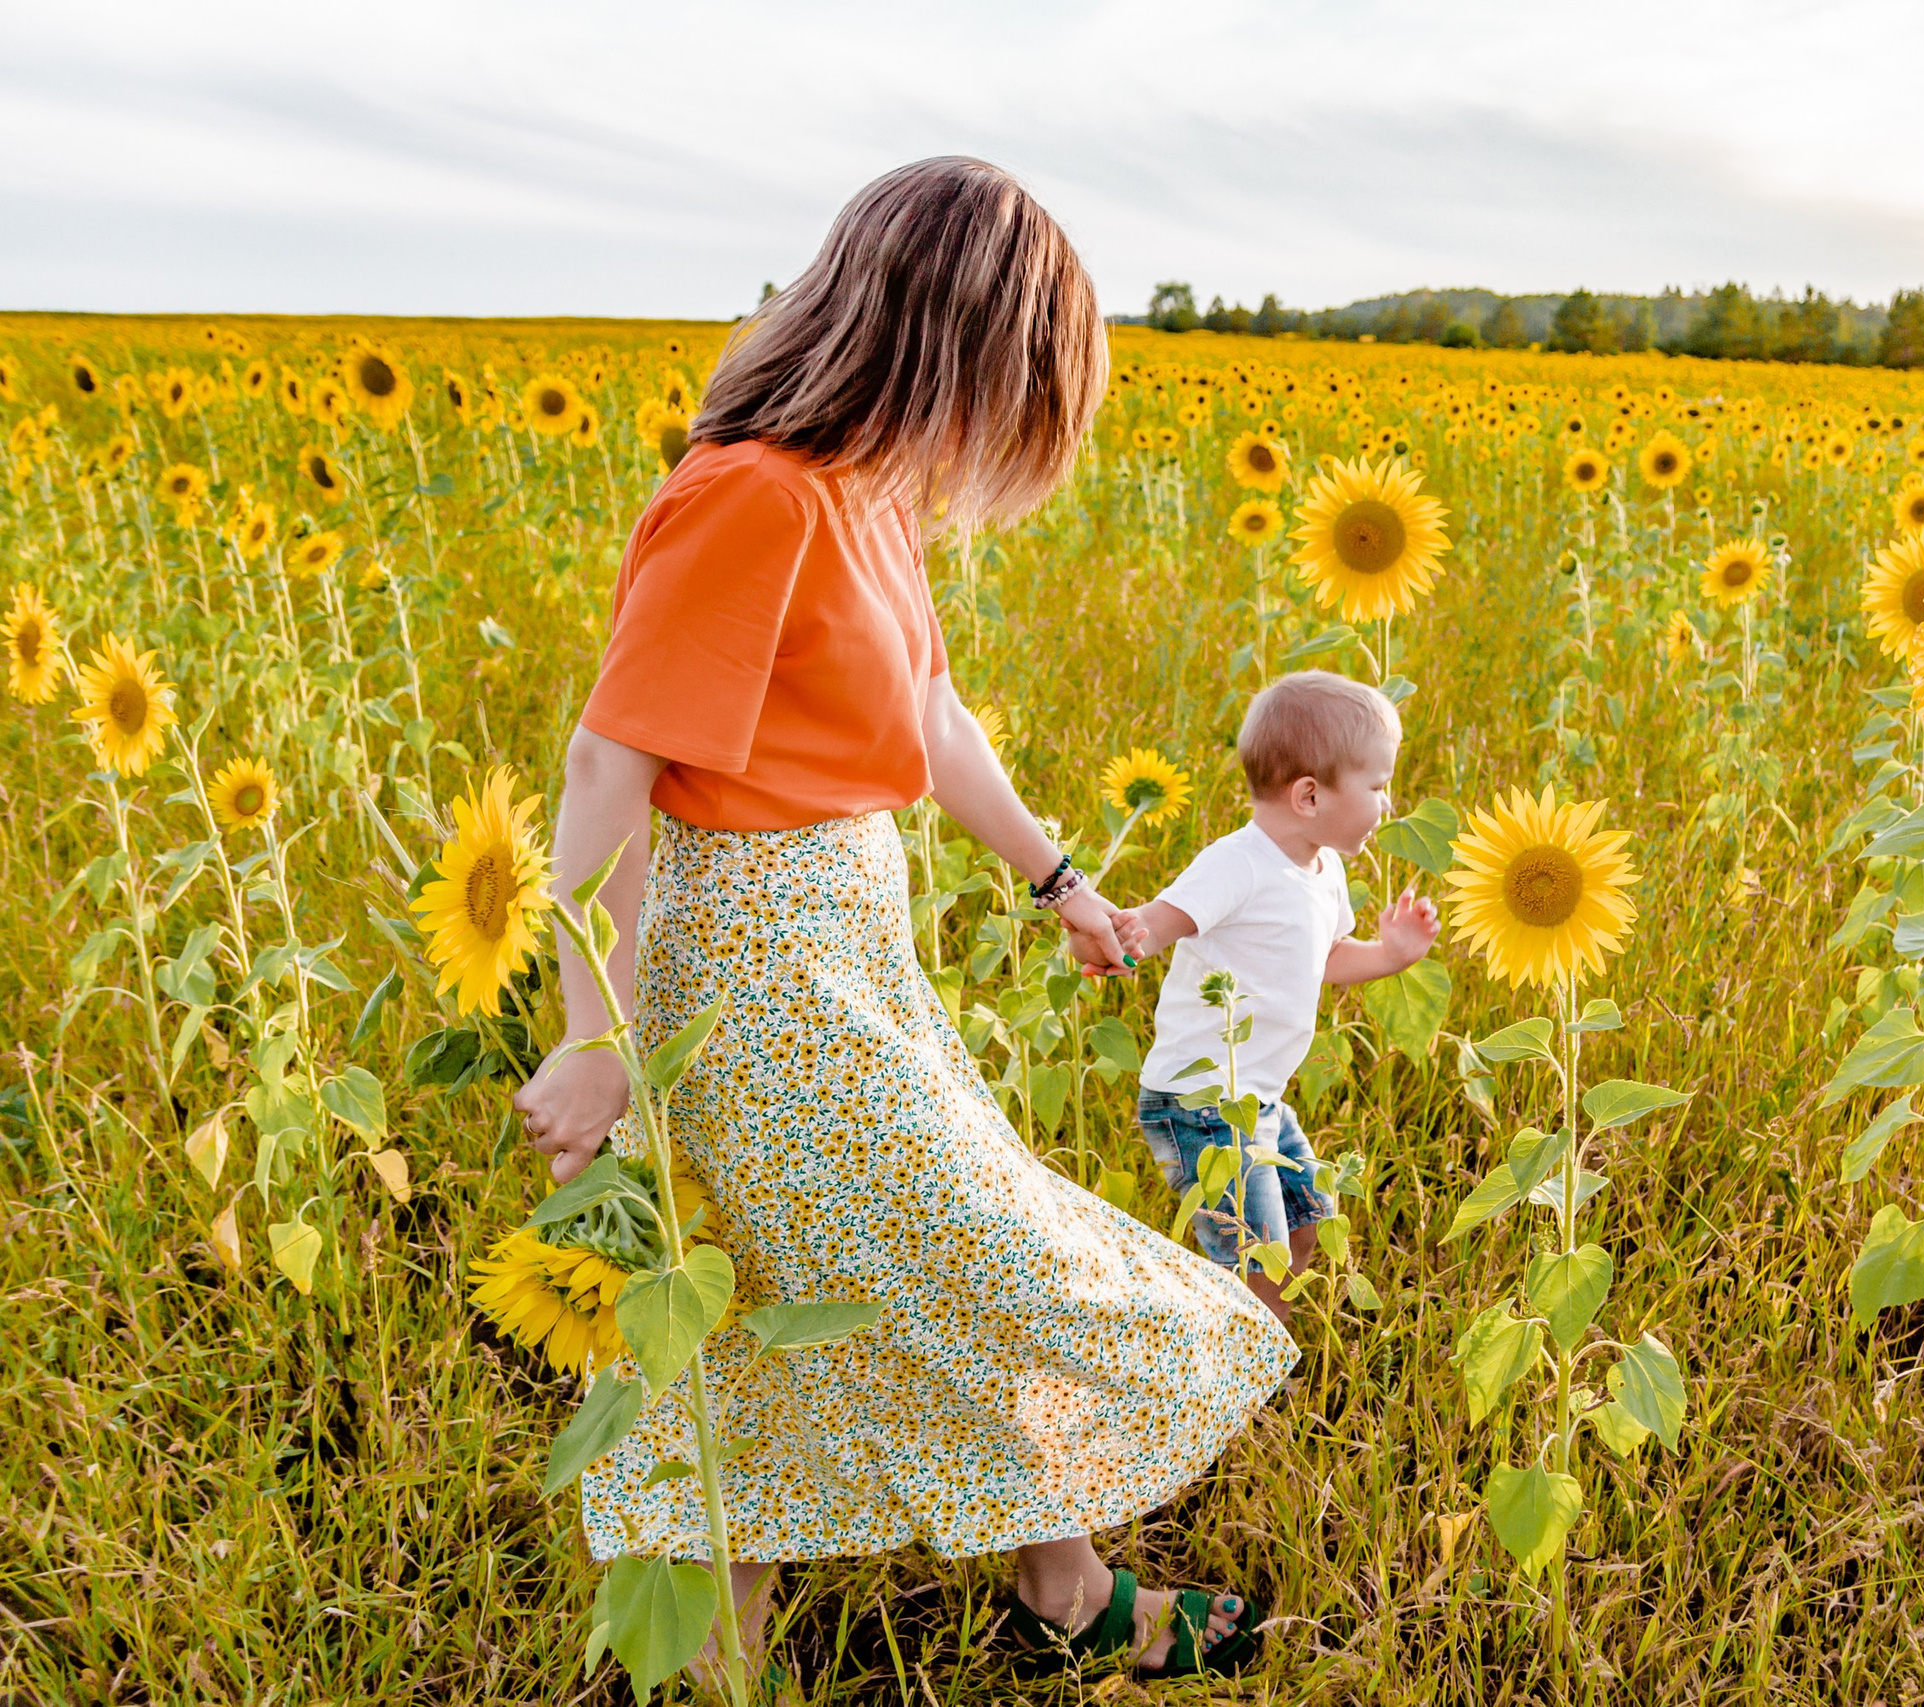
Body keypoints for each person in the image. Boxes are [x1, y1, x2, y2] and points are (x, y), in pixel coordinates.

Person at [510, 157, 1296, 1685]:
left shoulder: (863, 495)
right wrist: (594, 1037)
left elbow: (929, 709)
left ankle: (1058, 1586)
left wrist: (1061, 881)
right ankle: (716, 1666)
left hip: (846, 952)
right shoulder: (750, 496)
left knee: (855, 1277)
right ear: (952, 346)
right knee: (935, 1265)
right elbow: (615, 758)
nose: (1013, 444)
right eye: (1022, 394)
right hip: (750, 971)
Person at [1127, 671, 1441, 1321]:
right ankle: (1239, 1386)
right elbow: (1154, 926)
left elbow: (1321, 958)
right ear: (1309, 795)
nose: (1387, 803)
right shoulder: (1236, 864)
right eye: (1378, 787)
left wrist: (1390, 955)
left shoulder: (1325, 870)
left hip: (1256, 1098)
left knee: (1309, 1224)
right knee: (1255, 1265)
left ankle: (1263, 1352)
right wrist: (1112, 936)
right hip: (1202, 1102)